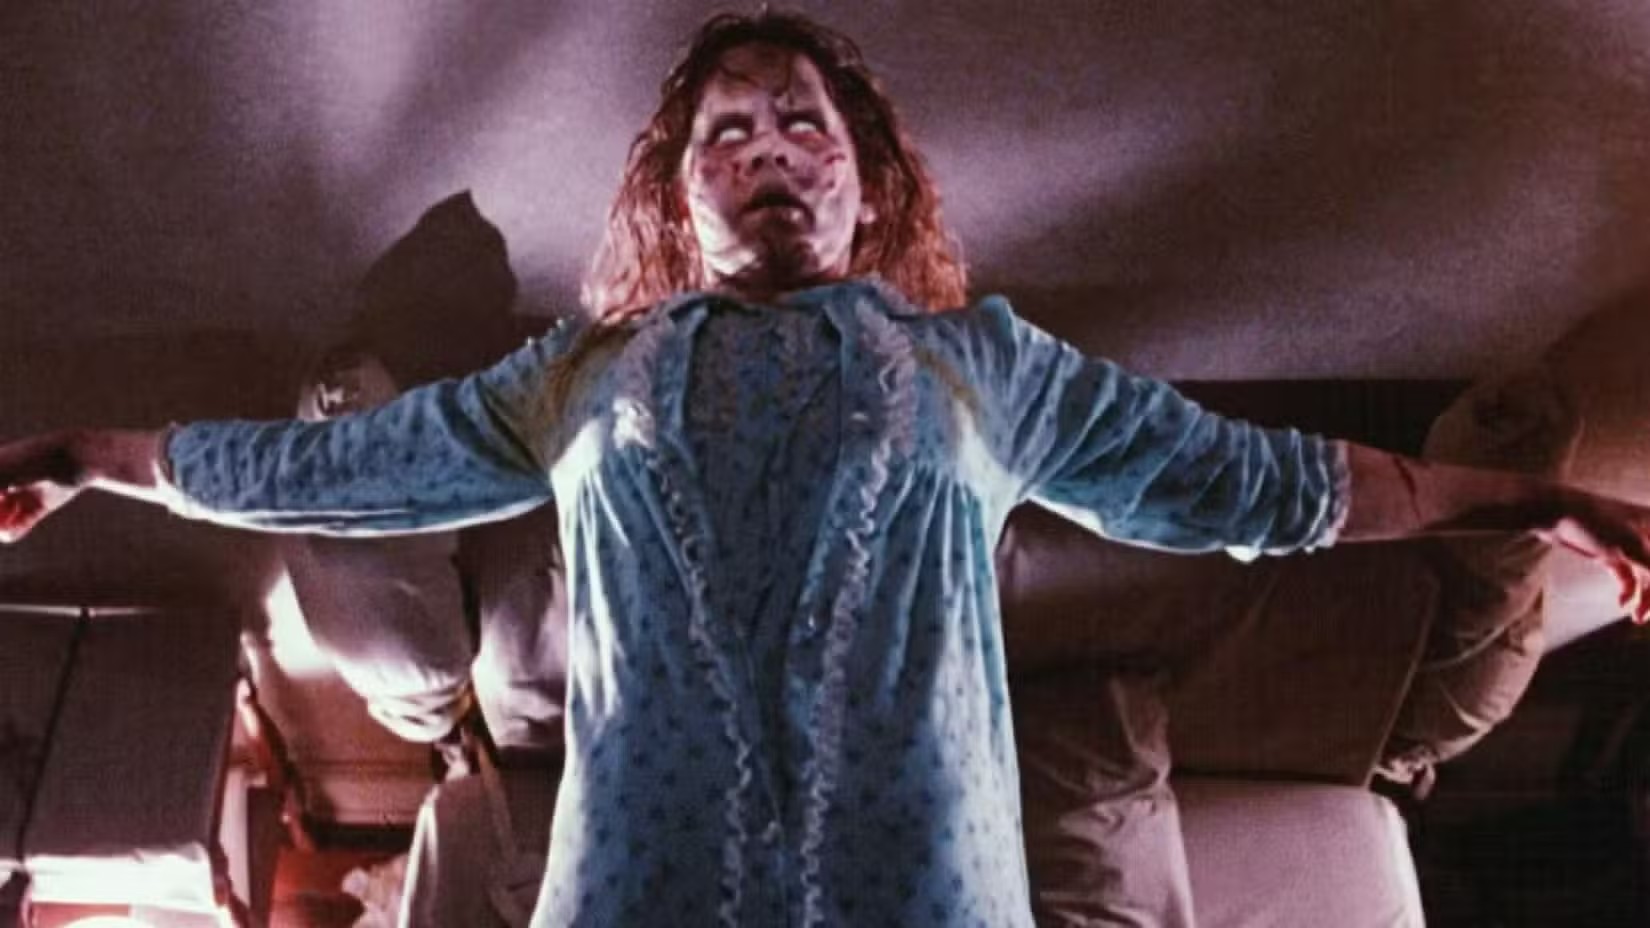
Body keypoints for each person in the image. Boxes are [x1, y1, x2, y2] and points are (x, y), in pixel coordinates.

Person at [3, 11, 1650, 927]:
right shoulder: (581, 373)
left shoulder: (979, 363)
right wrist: (92, 456)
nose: (769, 153)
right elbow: (339, 469)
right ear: (681, 195)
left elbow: (1262, 485)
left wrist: (1530, 497)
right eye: (727, 134)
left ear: (866, 187)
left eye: (806, 127)